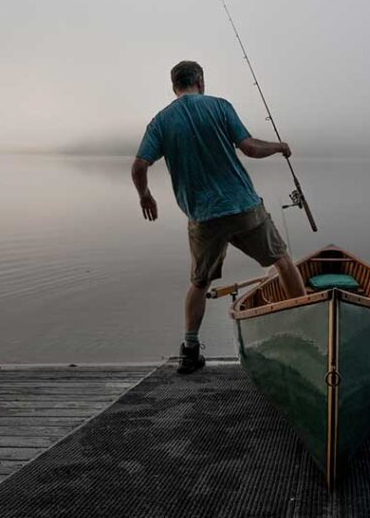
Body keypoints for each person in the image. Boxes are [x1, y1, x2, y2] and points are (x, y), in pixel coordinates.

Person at [131, 60, 306, 374]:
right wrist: (279, 146)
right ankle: (307, 327)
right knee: (281, 261)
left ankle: (190, 350)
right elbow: (250, 148)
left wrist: (145, 195)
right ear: (200, 80)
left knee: (199, 283)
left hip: (204, 217)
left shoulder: (160, 122)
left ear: (174, 86)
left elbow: (139, 166)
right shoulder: (220, 106)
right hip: (243, 208)